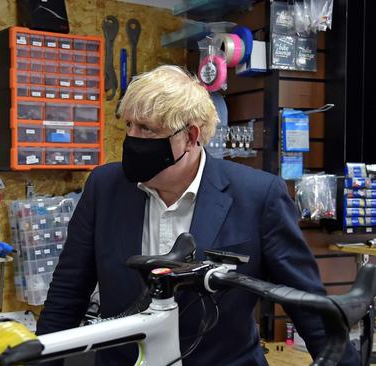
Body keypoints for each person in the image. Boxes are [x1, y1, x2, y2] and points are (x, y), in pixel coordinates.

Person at [36, 65, 360, 365]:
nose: (133, 138)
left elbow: (309, 309)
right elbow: (67, 293)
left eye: (147, 129)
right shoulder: (104, 186)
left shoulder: (258, 196)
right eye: (129, 126)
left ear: (190, 137)